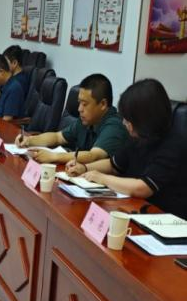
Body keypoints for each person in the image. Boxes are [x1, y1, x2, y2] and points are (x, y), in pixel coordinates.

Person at [67, 79, 187, 219]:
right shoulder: (138, 136)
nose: (124, 123)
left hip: (164, 218)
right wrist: (85, 168)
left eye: (128, 119)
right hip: (134, 207)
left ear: (145, 118)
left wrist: (102, 178)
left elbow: (142, 188)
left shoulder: (173, 144)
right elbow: (113, 165)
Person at [16, 74, 129, 165]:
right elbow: (58, 137)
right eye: (79, 103)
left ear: (103, 104)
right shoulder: (86, 120)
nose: (79, 109)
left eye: (85, 104)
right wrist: (29, 140)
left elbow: (93, 156)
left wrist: (54, 156)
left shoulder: (114, 125)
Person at [0, 54, 25, 121]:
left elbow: (7, 119)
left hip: (4, 126)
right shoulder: (5, 85)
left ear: (1, 72)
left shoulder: (14, 88)